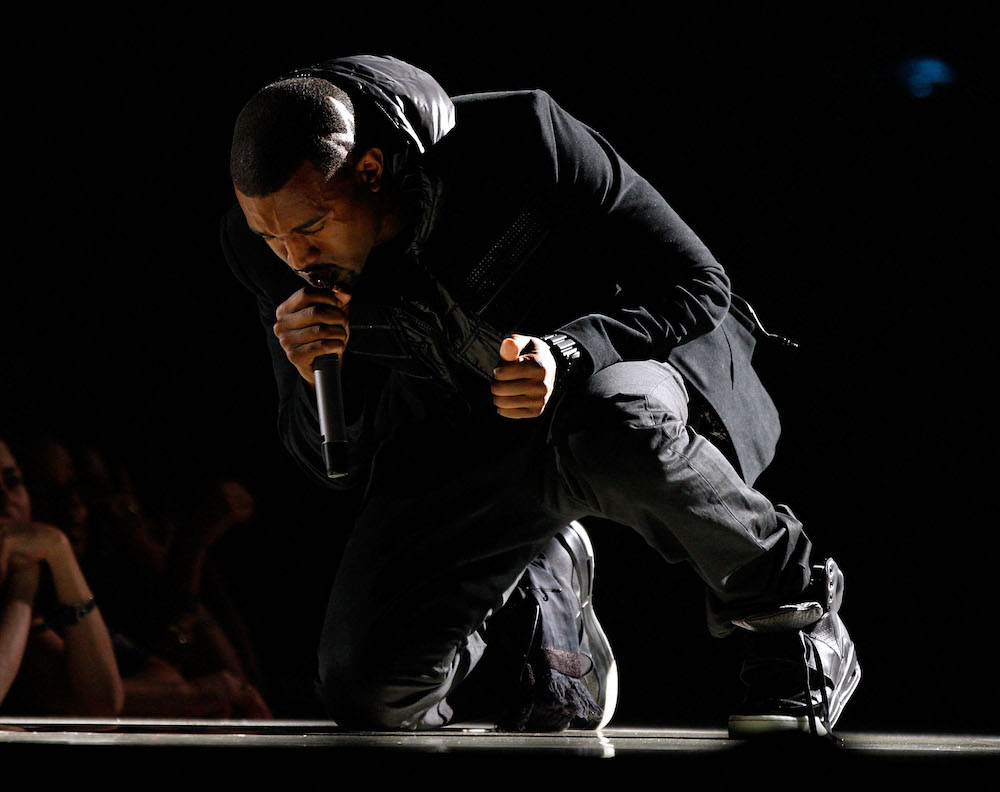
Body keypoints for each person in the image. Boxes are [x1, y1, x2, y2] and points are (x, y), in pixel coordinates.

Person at [220, 54, 860, 735]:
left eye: (309, 228)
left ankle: (799, 616)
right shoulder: (268, 256)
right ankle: (545, 581)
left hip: (619, 379)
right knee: (370, 693)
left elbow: (697, 283)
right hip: (471, 431)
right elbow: (333, 467)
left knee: (610, 427)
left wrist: (570, 351)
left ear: (371, 171)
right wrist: (308, 366)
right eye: (270, 235)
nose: (291, 254)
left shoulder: (523, 139)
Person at [0, 436, 124, 717]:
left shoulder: (29, 578)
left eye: (13, 482)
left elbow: (104, 703)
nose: (6, 500)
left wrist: (57, 549)